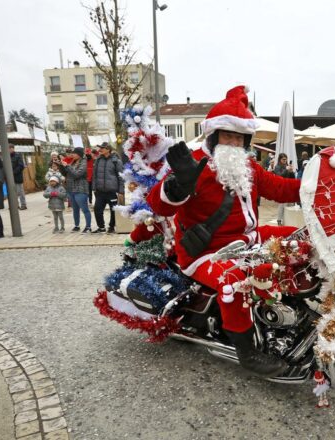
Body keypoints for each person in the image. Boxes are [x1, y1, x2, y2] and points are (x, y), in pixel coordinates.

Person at [148, 85, 300, 377]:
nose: (232, 143)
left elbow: (280, 188)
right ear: (214, 136)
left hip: (247, 239)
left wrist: (317, 185)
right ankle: (247, 351)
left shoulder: (249, 167)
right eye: (227, 136)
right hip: (206, 252)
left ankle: (288, 308)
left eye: (239, 137)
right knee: (236, 280)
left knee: (297, 237)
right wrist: (178, 185)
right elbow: (159, 204)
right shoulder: (194, 164)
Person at [92, 142, 124, 233]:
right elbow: (95, 175)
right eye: (100, 148)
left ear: (108, 149)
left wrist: (121, 191)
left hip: (112, 191)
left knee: (113, 210)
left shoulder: (116, 161)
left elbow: (121, 176)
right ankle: (101, 227)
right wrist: (94, 188)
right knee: (97, 209)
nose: (100, 149)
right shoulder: (98, 160)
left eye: (102, 148)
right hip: (100, 191)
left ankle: (111, 227)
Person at [59, 148, 92, 233]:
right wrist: (61, 166)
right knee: (75, 209)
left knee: (84, 209)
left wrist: (67, 166)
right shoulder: (73, 162)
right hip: (71, 189)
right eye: (72, 153)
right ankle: (77, 226)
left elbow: (77, 174)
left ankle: (88, 227)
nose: (72, 155)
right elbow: (66, 173)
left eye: (74, 153)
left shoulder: (83, 162)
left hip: (80, 189)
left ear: (79, 154)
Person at [272, 153, 295, 226]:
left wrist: (291, 172)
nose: (285, 161)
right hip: (281, 188)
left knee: (290, 204)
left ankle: (288, 219)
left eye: (286, 159)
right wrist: (286, 170)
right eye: (283, 159)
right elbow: (279, 176)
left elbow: (293, 178)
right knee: (282, 205)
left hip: (288, 187)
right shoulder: (277, 167)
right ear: (280, 159)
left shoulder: (287, 166)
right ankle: (279, 220)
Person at [9, 145, 27, 210]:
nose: (8, 150)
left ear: (12, 149)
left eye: (9, 149)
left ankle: (23, 205)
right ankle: (15, 205)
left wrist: (13, 173)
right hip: (9, 178)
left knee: (20, 192)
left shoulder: (18, 155)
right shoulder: (6, 157)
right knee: (12, 192)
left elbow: (21, 166)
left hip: (17, 177)